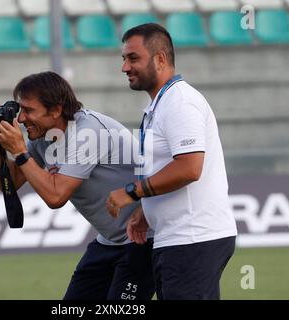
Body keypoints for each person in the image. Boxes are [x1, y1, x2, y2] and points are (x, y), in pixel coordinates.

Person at [0, 71, 155, 300]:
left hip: (144, 238)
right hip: (110, 240)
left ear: (56, 110)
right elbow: (12, 183)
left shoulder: (87, 132)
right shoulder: (45, 136)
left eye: (28, 110)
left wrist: (18, 150)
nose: (21, 119)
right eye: (20, 110)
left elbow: (56, 197)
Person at [106, 23, 238, 300]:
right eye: (123, 59)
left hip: (193, 239)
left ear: (160, 59)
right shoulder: (161, 104)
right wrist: (146, 210)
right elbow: (165, 165)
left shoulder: (180, 102)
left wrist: (132, 192)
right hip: (178, 238)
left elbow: (189, 168)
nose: (125, 67)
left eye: (133, 58)